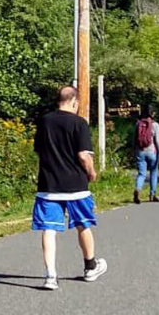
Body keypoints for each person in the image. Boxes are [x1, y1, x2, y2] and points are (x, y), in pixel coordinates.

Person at [33, 86, 107, 290]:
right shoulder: (79, 123)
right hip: (76, 185)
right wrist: (91, 171)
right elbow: (84, 155)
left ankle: (50, 276)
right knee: (83, 224)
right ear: (74, 101)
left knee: (49, 229)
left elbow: (39, 150)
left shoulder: (44, 121)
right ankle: (90, 267)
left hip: (49, 185)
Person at [132, 106, 159, 204]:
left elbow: (134, 139)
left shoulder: (138, 124)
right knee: (154, 172)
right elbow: (158, 141)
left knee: (142, 173)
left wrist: (133, 151)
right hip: (152, 152)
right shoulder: (155, 125)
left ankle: (138, 189)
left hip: (140, 151)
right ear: (152, 114)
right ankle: (152, 194)